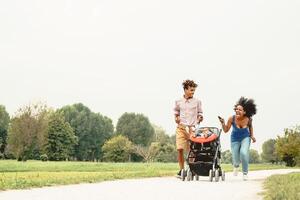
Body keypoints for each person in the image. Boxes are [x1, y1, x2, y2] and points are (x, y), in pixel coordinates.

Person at [218, 97, 257, 181]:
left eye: (240, 110)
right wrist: (223, 123)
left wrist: (252, 136)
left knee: (244, 153)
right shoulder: (231, 118)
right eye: (236, 109)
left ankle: (245, 173)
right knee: (235, 157)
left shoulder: (248, 119)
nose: (237, 111)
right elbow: (225, 130)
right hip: (235, 139)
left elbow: (250, 127)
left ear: (244, 112)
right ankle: (236, 166)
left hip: (245, 137)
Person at [174, 79, 203, 177]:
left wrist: (200, 118)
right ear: (185, 90)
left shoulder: (197, 102)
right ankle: (181, 170)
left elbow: (200, 113)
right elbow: (176, 113)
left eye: (194, 90)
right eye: (191, 90)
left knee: (192, 150)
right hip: (181, 128)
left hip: (192, 129)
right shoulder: (178, 101)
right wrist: (176, 118)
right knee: (180, 149)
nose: (193, 92)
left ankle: (191, 168)